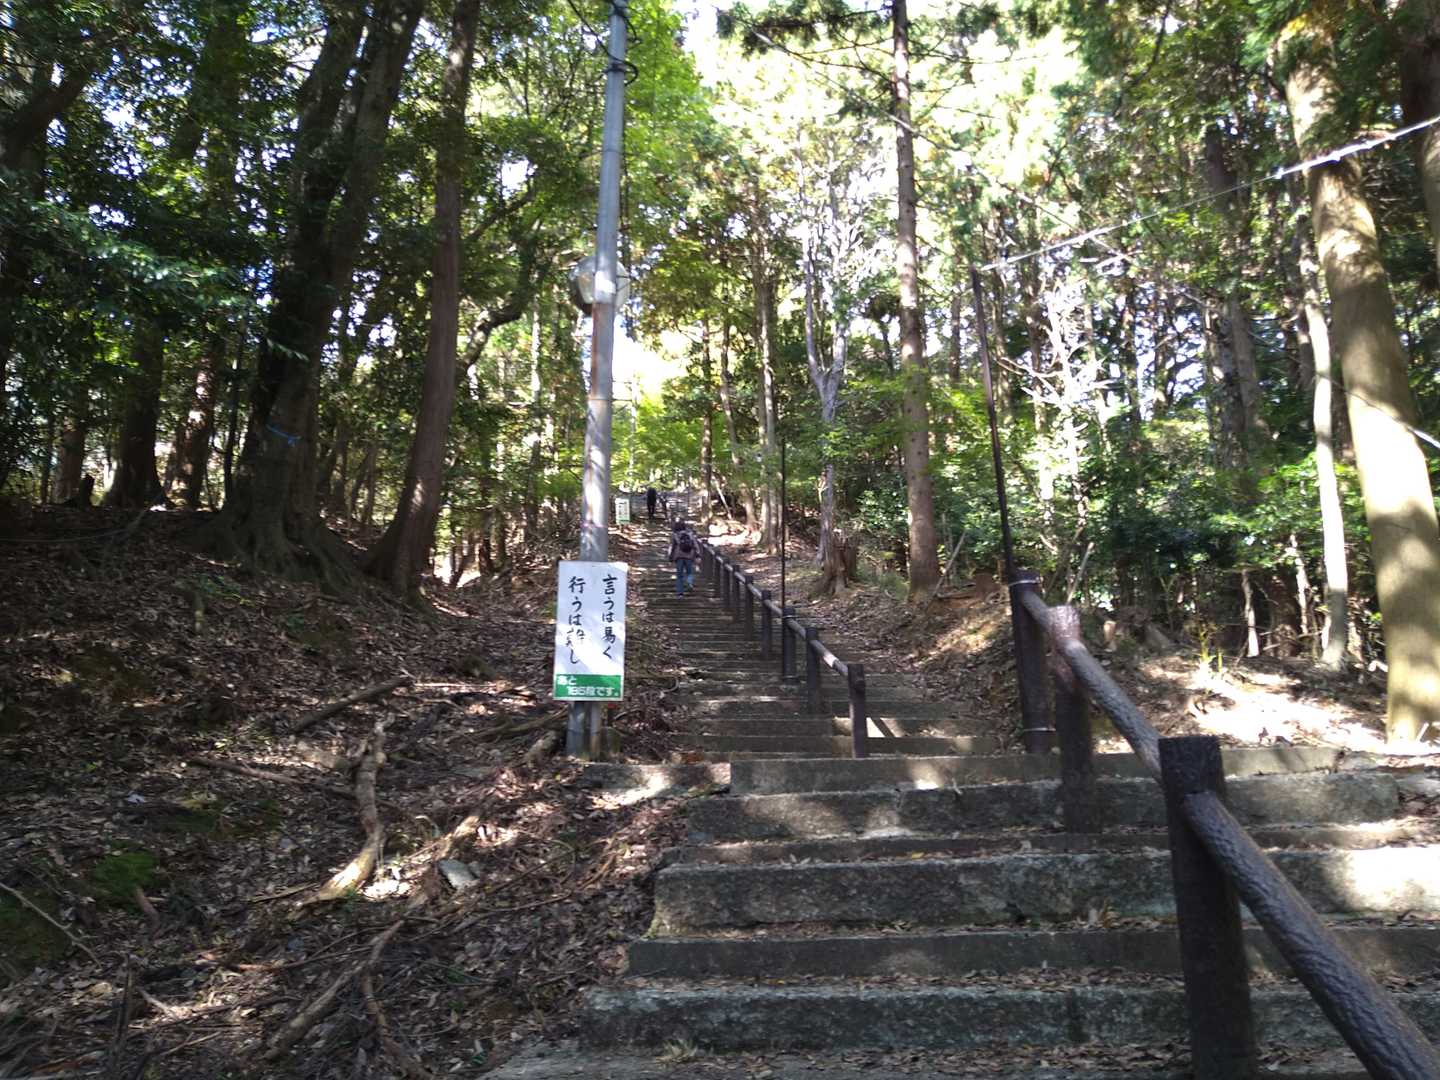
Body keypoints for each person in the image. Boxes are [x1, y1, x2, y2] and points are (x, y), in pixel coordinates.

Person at [668, 518, 698, 597]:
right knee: (689, 572)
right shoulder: (690, 534)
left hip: (679, 556)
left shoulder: (675, 535)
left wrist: (670, 558)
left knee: (679, 575)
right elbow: (695, 545)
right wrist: (697, 555)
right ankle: (689, 582)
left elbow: (672, 547)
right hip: (689, 556)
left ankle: (680, 593)